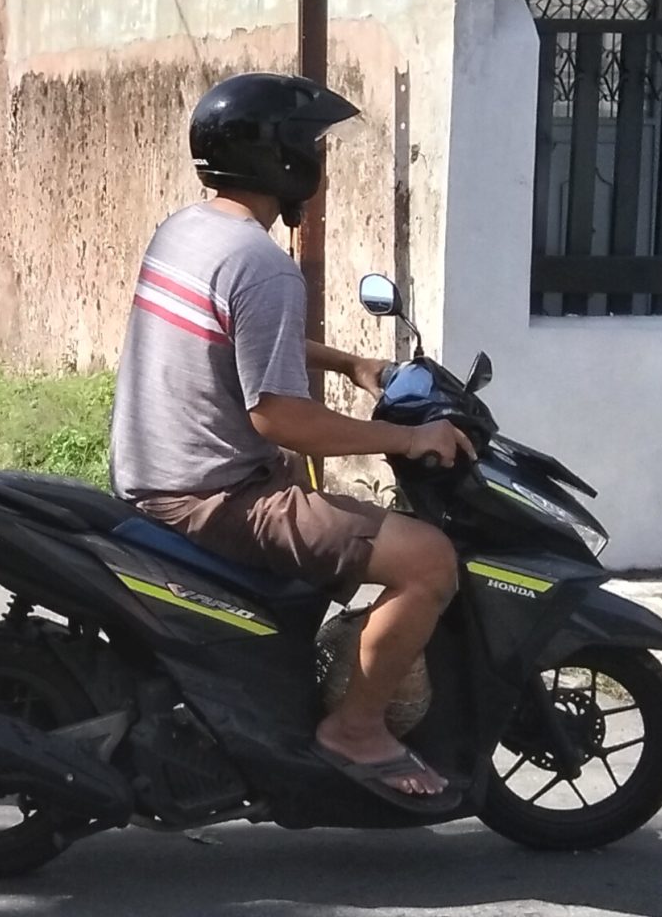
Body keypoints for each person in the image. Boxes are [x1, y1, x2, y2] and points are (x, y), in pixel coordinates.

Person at [108, 72, 474, 813]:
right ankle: (357, 728)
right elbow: (281, 419)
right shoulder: (263, 265)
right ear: (279, 159)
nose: (318, 159)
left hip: (154, 476)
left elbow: (238, 341)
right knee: (429, 561)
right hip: (215, 497)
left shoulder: (186, 231)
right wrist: (407, 440)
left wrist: (347, 364)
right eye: (309, 144)